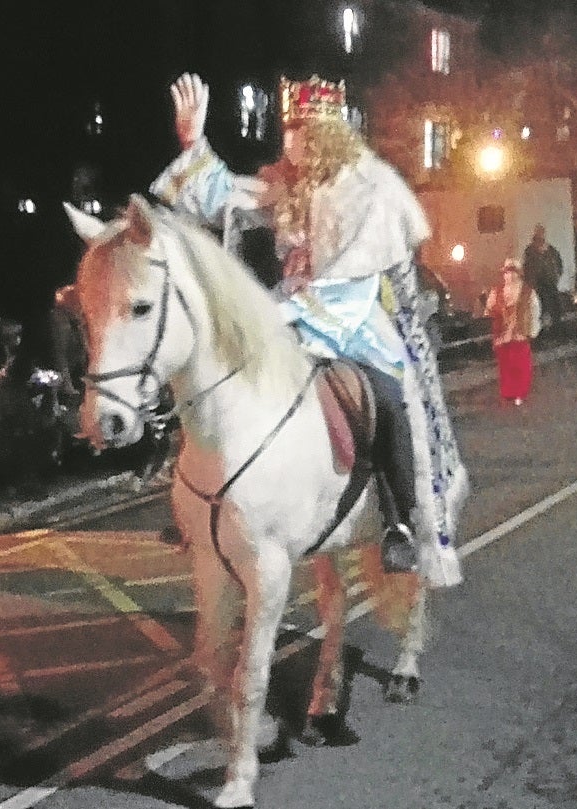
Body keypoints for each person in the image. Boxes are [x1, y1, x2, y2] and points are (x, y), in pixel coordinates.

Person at [148, 73, 466, 582]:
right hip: (288, 310)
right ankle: (195, 497)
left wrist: (284, 311)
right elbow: (220, 197)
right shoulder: (287, 184)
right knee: (216, 372)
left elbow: (351, 280)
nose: (291, 138)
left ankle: (401, 520)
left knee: (388, 393)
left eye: (302, 128)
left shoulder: (368, 188)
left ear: (329, 134)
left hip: (352, 319)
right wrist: (193, 140)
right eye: (289, 127)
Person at [484, 260, 541, 406]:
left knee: (520, 364)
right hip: (502, 335)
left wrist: (532, 330)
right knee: (505, 364)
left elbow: (534, 311)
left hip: (520, 334)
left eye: (511, 272)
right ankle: (507, 392)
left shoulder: (528, 292)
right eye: (506, 273)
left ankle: (520, 392)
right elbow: (489, 310)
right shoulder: (497, 291)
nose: (508, 276)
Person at [522, 225, 566, 328]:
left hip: (550, 282)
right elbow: (528, 267)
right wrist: (530, 282)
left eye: (542, 233)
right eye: (539, 233)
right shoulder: (530, 251)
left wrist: (556, 276)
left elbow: (559, 263)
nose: (541, 235)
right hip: (538, 284)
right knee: (542, 308)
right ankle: (543, 330)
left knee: (556, 306)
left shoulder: (550, 249)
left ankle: (557, 327)